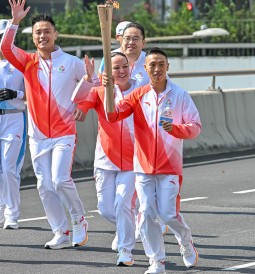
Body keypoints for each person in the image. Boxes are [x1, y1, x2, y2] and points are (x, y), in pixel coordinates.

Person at [1, 0, 98, 249]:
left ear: (55, 34)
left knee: (59, 180)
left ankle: (78, 220)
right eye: (38, 33)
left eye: (47, 31)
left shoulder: (72, 62)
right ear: (33, 38)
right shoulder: (28, 62)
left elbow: (95, 86)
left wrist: (85, 104)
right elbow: (6, 47)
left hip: (65, 131)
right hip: (38, 135)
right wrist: (14, 22)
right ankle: (60, 232)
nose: (43, 35)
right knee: (44, 185)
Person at [104, 47, 201, 274]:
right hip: (143, 166)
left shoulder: (180, 95)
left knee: (168, 214)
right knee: (146, 212)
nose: (156, 69)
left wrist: (176, 129)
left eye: (161, 64)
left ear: (167, 67)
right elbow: (113, 115)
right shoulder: (138, 95)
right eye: (152, 65)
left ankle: (185, 241)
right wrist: (109, 89)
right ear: (145, 68)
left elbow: (196, 126)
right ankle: (156, 261)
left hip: (170, 166)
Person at [73, 52, 136, 266]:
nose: (121, 71)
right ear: (107, 73)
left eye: (124, 66)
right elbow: (78, 99)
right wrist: (89, 79)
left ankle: (126, 250)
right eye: (116, 68)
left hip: (133, 160)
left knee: (123, 205)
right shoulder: (99, 91)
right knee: (105, 209)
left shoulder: (140, 91)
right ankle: (126, 227)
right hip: (105, 160)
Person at [0, 18, 26, 230]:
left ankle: (12, 214)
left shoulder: (20, 62)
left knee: (9, 168)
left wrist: (14, 93)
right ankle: (2, 208)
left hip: (15, 117)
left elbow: (34, 92)